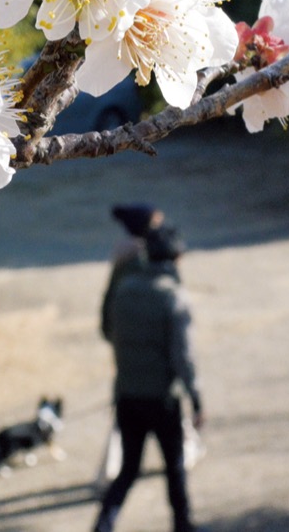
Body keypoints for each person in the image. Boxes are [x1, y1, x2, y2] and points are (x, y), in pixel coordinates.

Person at [94, 224, 203, 532]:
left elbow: (108, 332)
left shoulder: (125, 291)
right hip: (162, 399)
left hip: (127, 396)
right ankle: (183, 525)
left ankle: (103, 525)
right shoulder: (174, 298)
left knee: (128, 469)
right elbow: (183, 357)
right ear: (176, 258)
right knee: (174, 467)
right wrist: (196, 399)